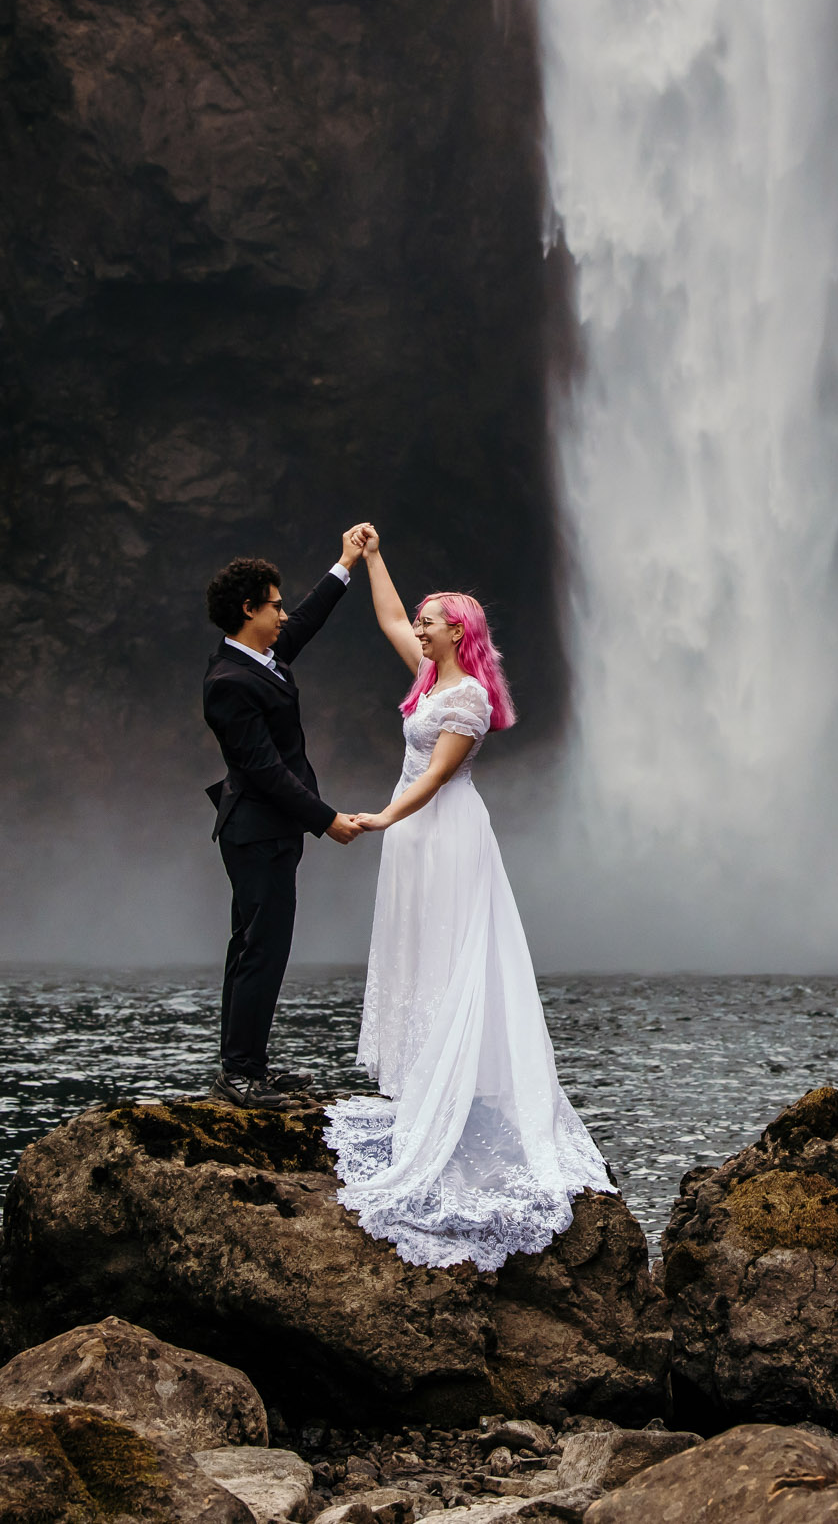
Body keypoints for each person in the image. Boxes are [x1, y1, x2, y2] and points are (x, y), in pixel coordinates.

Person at [322, 527, 609, 1270]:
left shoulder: (471, 696)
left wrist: (383, 817)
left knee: (453, 954)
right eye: (419, 618)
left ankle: (455, 1097)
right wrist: (375, 556)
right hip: (417, 837)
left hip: (442, 831)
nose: (416, 625)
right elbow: (386, 618)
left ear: (459, 630)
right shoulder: (428, 674)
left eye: (429, 618)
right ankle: (424, 1088)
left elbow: (439, 776)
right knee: (418, 949)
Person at [201, 528, 376, 1110]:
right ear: (248, 610)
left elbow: (305, 622)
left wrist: (346, 564)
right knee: (261, 950)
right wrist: (327, 820)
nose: (282, 613)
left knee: (252, 946)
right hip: (256, 833)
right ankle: (241, 1075)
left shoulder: (261, 658)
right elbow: (265, 770)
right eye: (274, 604)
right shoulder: (229, 683)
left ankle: (245, 1067)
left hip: (270, 832)